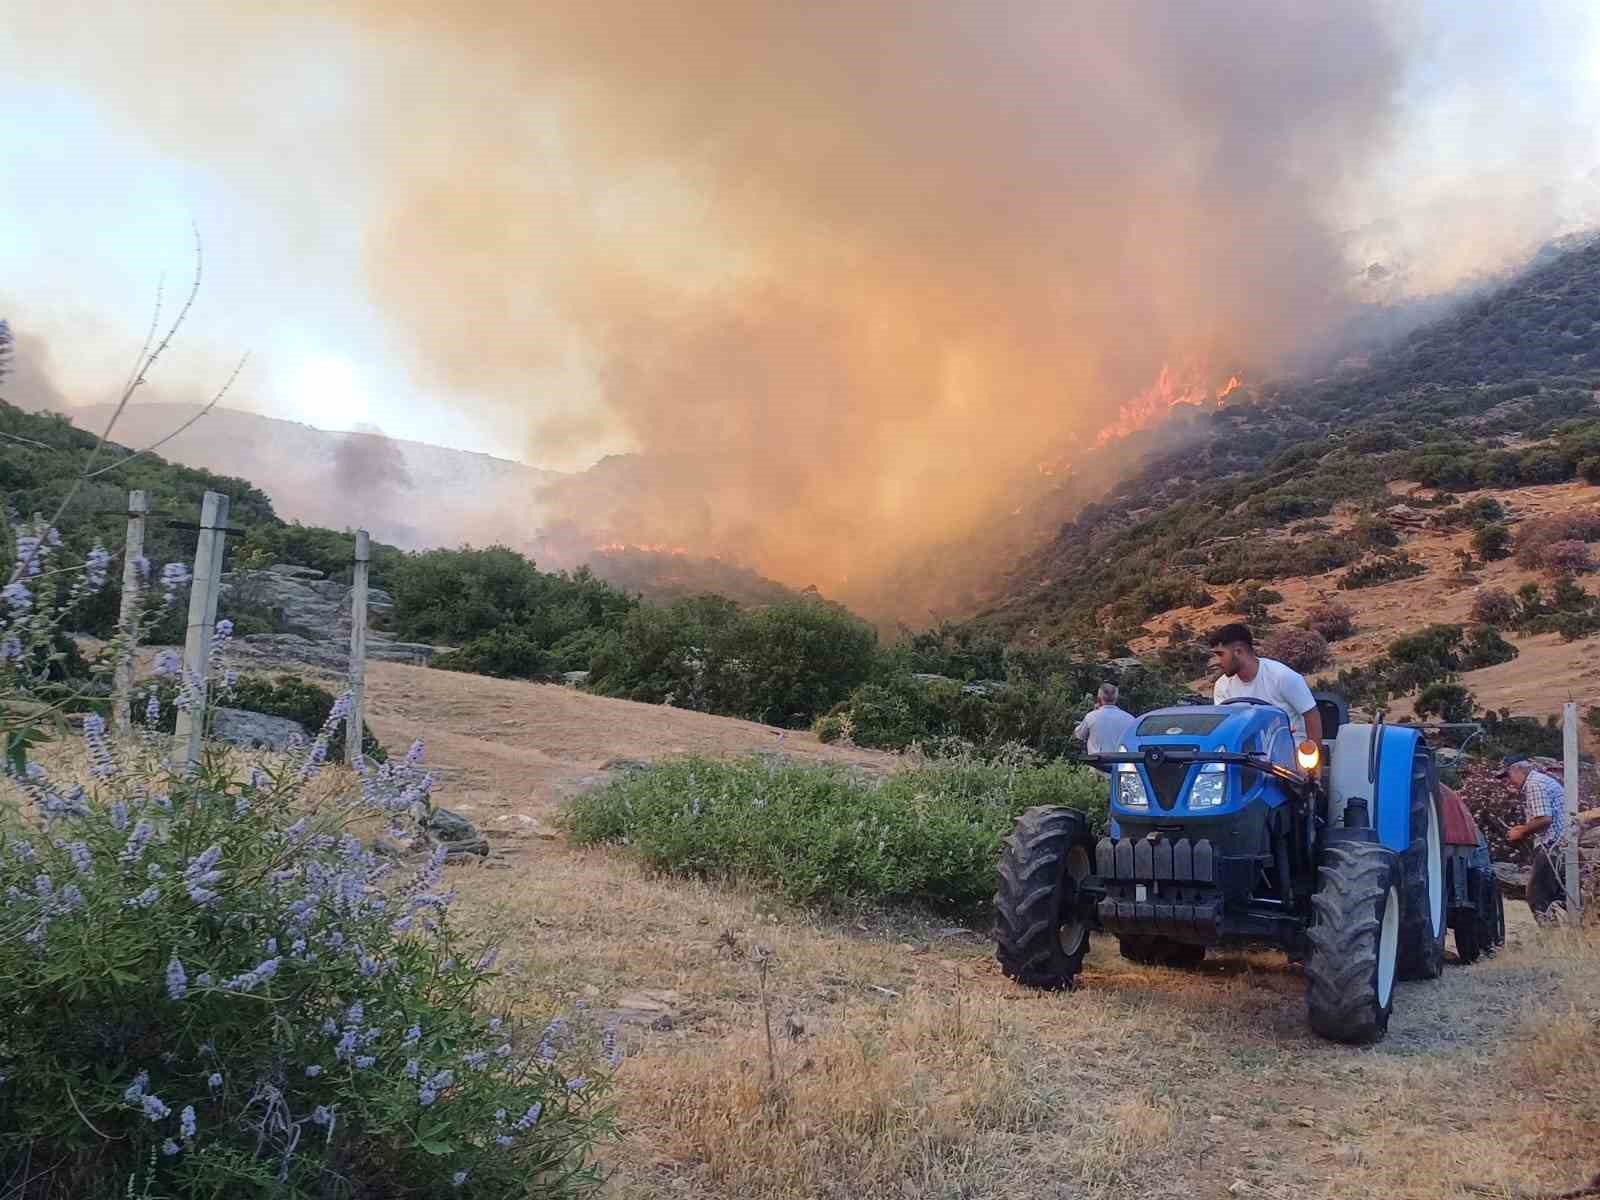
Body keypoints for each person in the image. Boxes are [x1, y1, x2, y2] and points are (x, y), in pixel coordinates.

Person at [1206, 623, 1323, 746]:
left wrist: (1312, 756)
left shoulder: (1281, 676)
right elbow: (1226, 727)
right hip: (1246, 756)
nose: (1217, 661)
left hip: (1290, 752)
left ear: (1238, 651)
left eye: (1220, 654)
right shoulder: (1222, 686)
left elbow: (1311, 715)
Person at [1497, 755, 1570, 924]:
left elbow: (1544, 819)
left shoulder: (1534, 784)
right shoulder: (1541, 781)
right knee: (1565, 894)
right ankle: (1580, 932)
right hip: (1561, 846)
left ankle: (1551, 938)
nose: (1507, 781)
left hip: (1552, 846)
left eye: (1507, 776)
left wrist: (1521, 831)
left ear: (1517, 769)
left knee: (1537, 895)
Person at [1073, 682, 1138, 756]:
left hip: (1097, 763)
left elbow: (1079, 735)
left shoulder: (1091, 716)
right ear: (1116, 697)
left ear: (1099, 697)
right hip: (1121, 763)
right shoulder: (1130, 719)